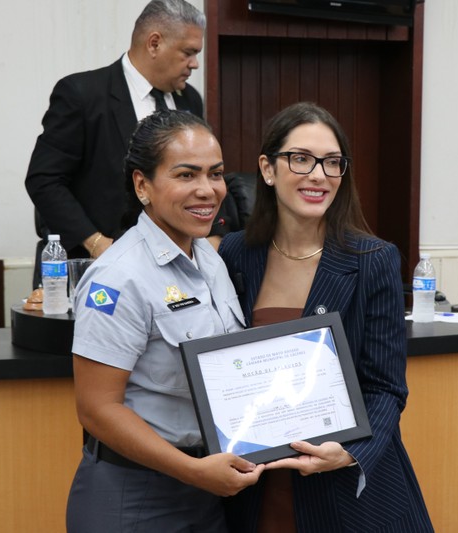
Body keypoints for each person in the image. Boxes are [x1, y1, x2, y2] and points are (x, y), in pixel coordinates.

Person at [218, 102, 434, 532]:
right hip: (257, 488)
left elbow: (386, 388)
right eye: (301, 159)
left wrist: (351, 452)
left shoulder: (374, 259)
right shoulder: (236, 253)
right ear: (267, 168)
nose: (319, 175)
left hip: (348, 494)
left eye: (332, 163)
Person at [66, 110, 264, 532]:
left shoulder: (208, 256)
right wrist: (192, 472)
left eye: (216, 174)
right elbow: (97, 409)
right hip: (136, 494)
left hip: (206, 486)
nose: (207, 190)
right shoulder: (118, 277)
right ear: (143, 185)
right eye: (186, 175)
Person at [25, 0, 238, 288]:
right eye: (188, 53)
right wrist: (97, 243)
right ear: (154, 44)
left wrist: (212, 237)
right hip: (98, 266)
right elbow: (44, 179)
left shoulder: (190, 99)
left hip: (176, 270)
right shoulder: (83, 95)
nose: (195, 64)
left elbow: (204, 169)